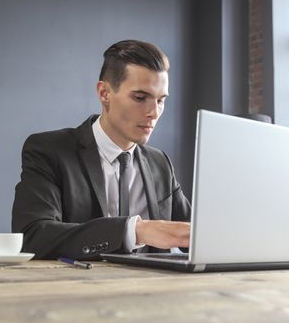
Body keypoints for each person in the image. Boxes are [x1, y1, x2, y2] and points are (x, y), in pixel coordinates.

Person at [12, 39, 191, 260]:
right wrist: (135, 231)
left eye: (161, 100)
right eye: (140, 98)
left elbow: (191, 234)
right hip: (79, 290)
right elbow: (33, 237)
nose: (154, 112)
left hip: (153, 290)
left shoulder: (160, 163)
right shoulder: (49, 151)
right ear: (104, 93)